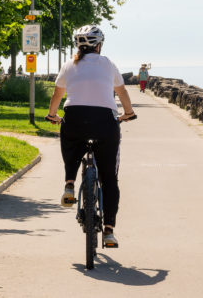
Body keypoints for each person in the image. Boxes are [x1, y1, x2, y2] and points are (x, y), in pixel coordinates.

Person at [46, 24, 136, 248]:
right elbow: (122, 91)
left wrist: (52, 115)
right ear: (99, 46)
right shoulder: (107, 64)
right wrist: (129, 113)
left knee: (70, 145)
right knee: (109, 179)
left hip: (75, 119)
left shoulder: (69, 65)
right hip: (105, 123)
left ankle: (69, 185)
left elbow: (58, 94)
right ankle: (109, 231)